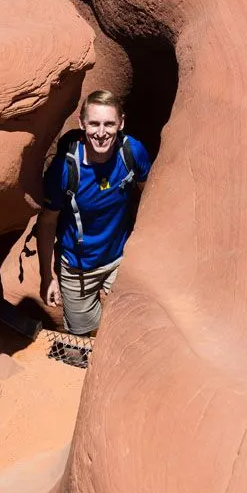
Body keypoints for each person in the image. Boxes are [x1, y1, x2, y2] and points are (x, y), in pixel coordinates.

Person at [36, 89, 151, 336]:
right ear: (81, 124)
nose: (101, 133)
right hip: (77, 267)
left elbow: (149, 196)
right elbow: (47, 222)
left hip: (121, 258)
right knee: (83, 334)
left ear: (121, 123)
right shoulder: (65, 170)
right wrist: (47, 276)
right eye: (94, 124)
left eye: (109, 124)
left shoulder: (132, 153)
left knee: (132, 326)